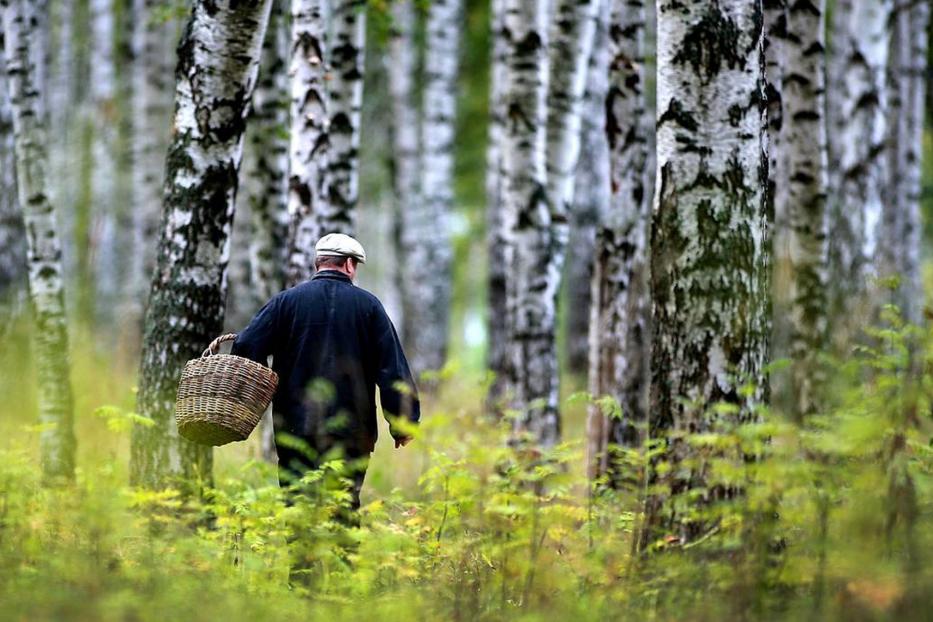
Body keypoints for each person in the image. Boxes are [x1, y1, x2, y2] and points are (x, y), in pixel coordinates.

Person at [231, 233, 420, 517]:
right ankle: (341, 560)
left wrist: (260, 389)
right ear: (347, 265)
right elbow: (391, 369)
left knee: (297, 508)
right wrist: (403, 422)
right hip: (352, 432)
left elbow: (245, 345)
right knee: (343, 509)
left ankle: (301, 563)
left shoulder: (285, 302)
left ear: (319, 264)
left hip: (295, 428)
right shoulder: (369, 307)